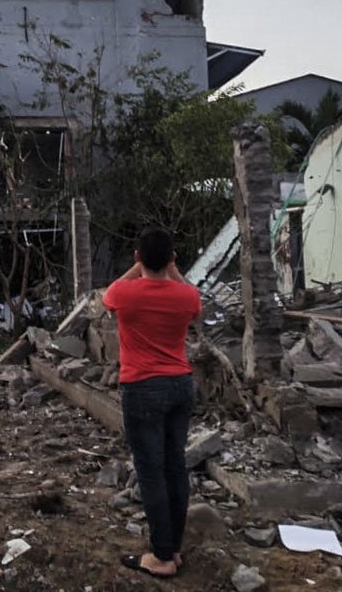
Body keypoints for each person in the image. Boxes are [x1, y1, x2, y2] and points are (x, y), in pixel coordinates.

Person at [104, 227, 202, 579]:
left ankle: (161, 556)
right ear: (173, 258)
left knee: (151, 473)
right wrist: (170, 267)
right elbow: (190, 294)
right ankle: (172, 548)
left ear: (137, 258)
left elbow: (110, 294)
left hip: (142, 388)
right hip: (180, 385)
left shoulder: (124, 294)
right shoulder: (187, 297)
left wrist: (139, 266)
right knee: (175, 467)